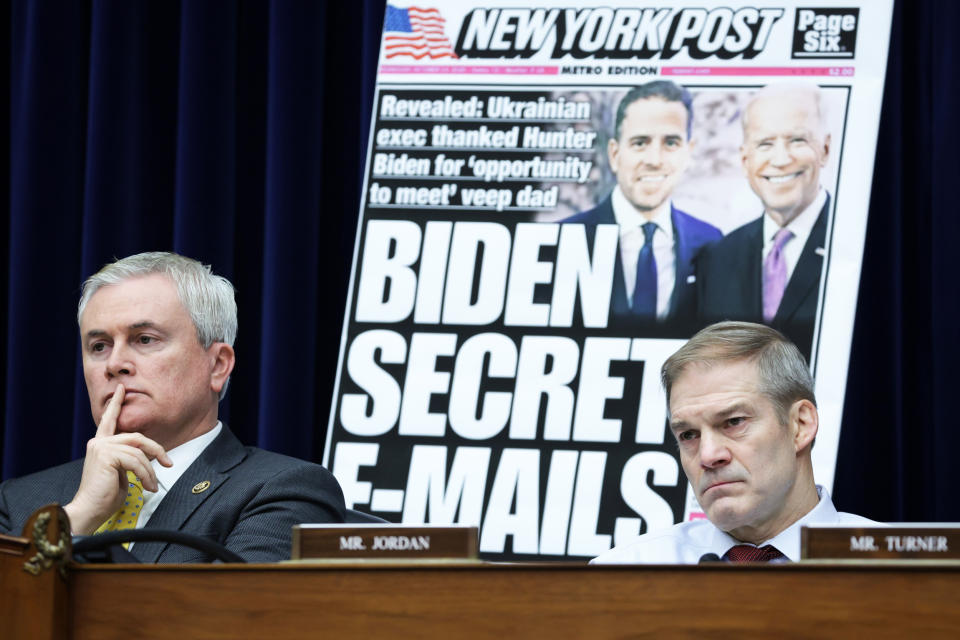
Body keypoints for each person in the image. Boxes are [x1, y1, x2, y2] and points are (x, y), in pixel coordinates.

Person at [0, 252, 345, 562]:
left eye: (145, 339)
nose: (114, 363)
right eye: (100, 346)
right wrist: (78, 519)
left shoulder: (282, 492)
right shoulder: (21, 501)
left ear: (218, 365)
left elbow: (228, 623)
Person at [592, 321, 878, 564]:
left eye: (733, 422)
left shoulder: (896, 568)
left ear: (800, 425)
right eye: (688, 435)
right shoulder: (624, 572)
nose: (708, 455)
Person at [565, 80, 721, 323]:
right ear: (615, 155)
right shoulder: (564, 238)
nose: (654, 160)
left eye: (671, 143)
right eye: (640, 143)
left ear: (688, 153)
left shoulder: (711, 243)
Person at [696, 83, 832, 360]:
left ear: (825, 150)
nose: (781, 159)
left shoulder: (859, 246)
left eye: (797, 140)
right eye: (765, 144)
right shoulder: (717, 258)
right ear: (745, 160)